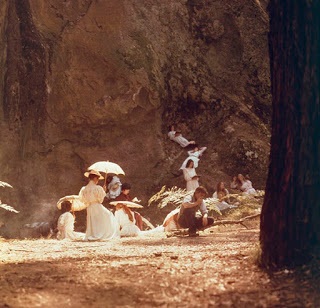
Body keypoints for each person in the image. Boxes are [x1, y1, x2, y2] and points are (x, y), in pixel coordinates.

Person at [79, 170, 120, 241]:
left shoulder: (84, 189)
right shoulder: (98, 188)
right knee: (108, 216)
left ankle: (94, 234)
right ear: (95, 178)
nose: (98, 180)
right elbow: (100, 200)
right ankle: (100, 234)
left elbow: (82, 199)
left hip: (89, 207)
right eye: (97, 179)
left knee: (94, 221)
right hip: (97, 206)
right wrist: (103, 191)